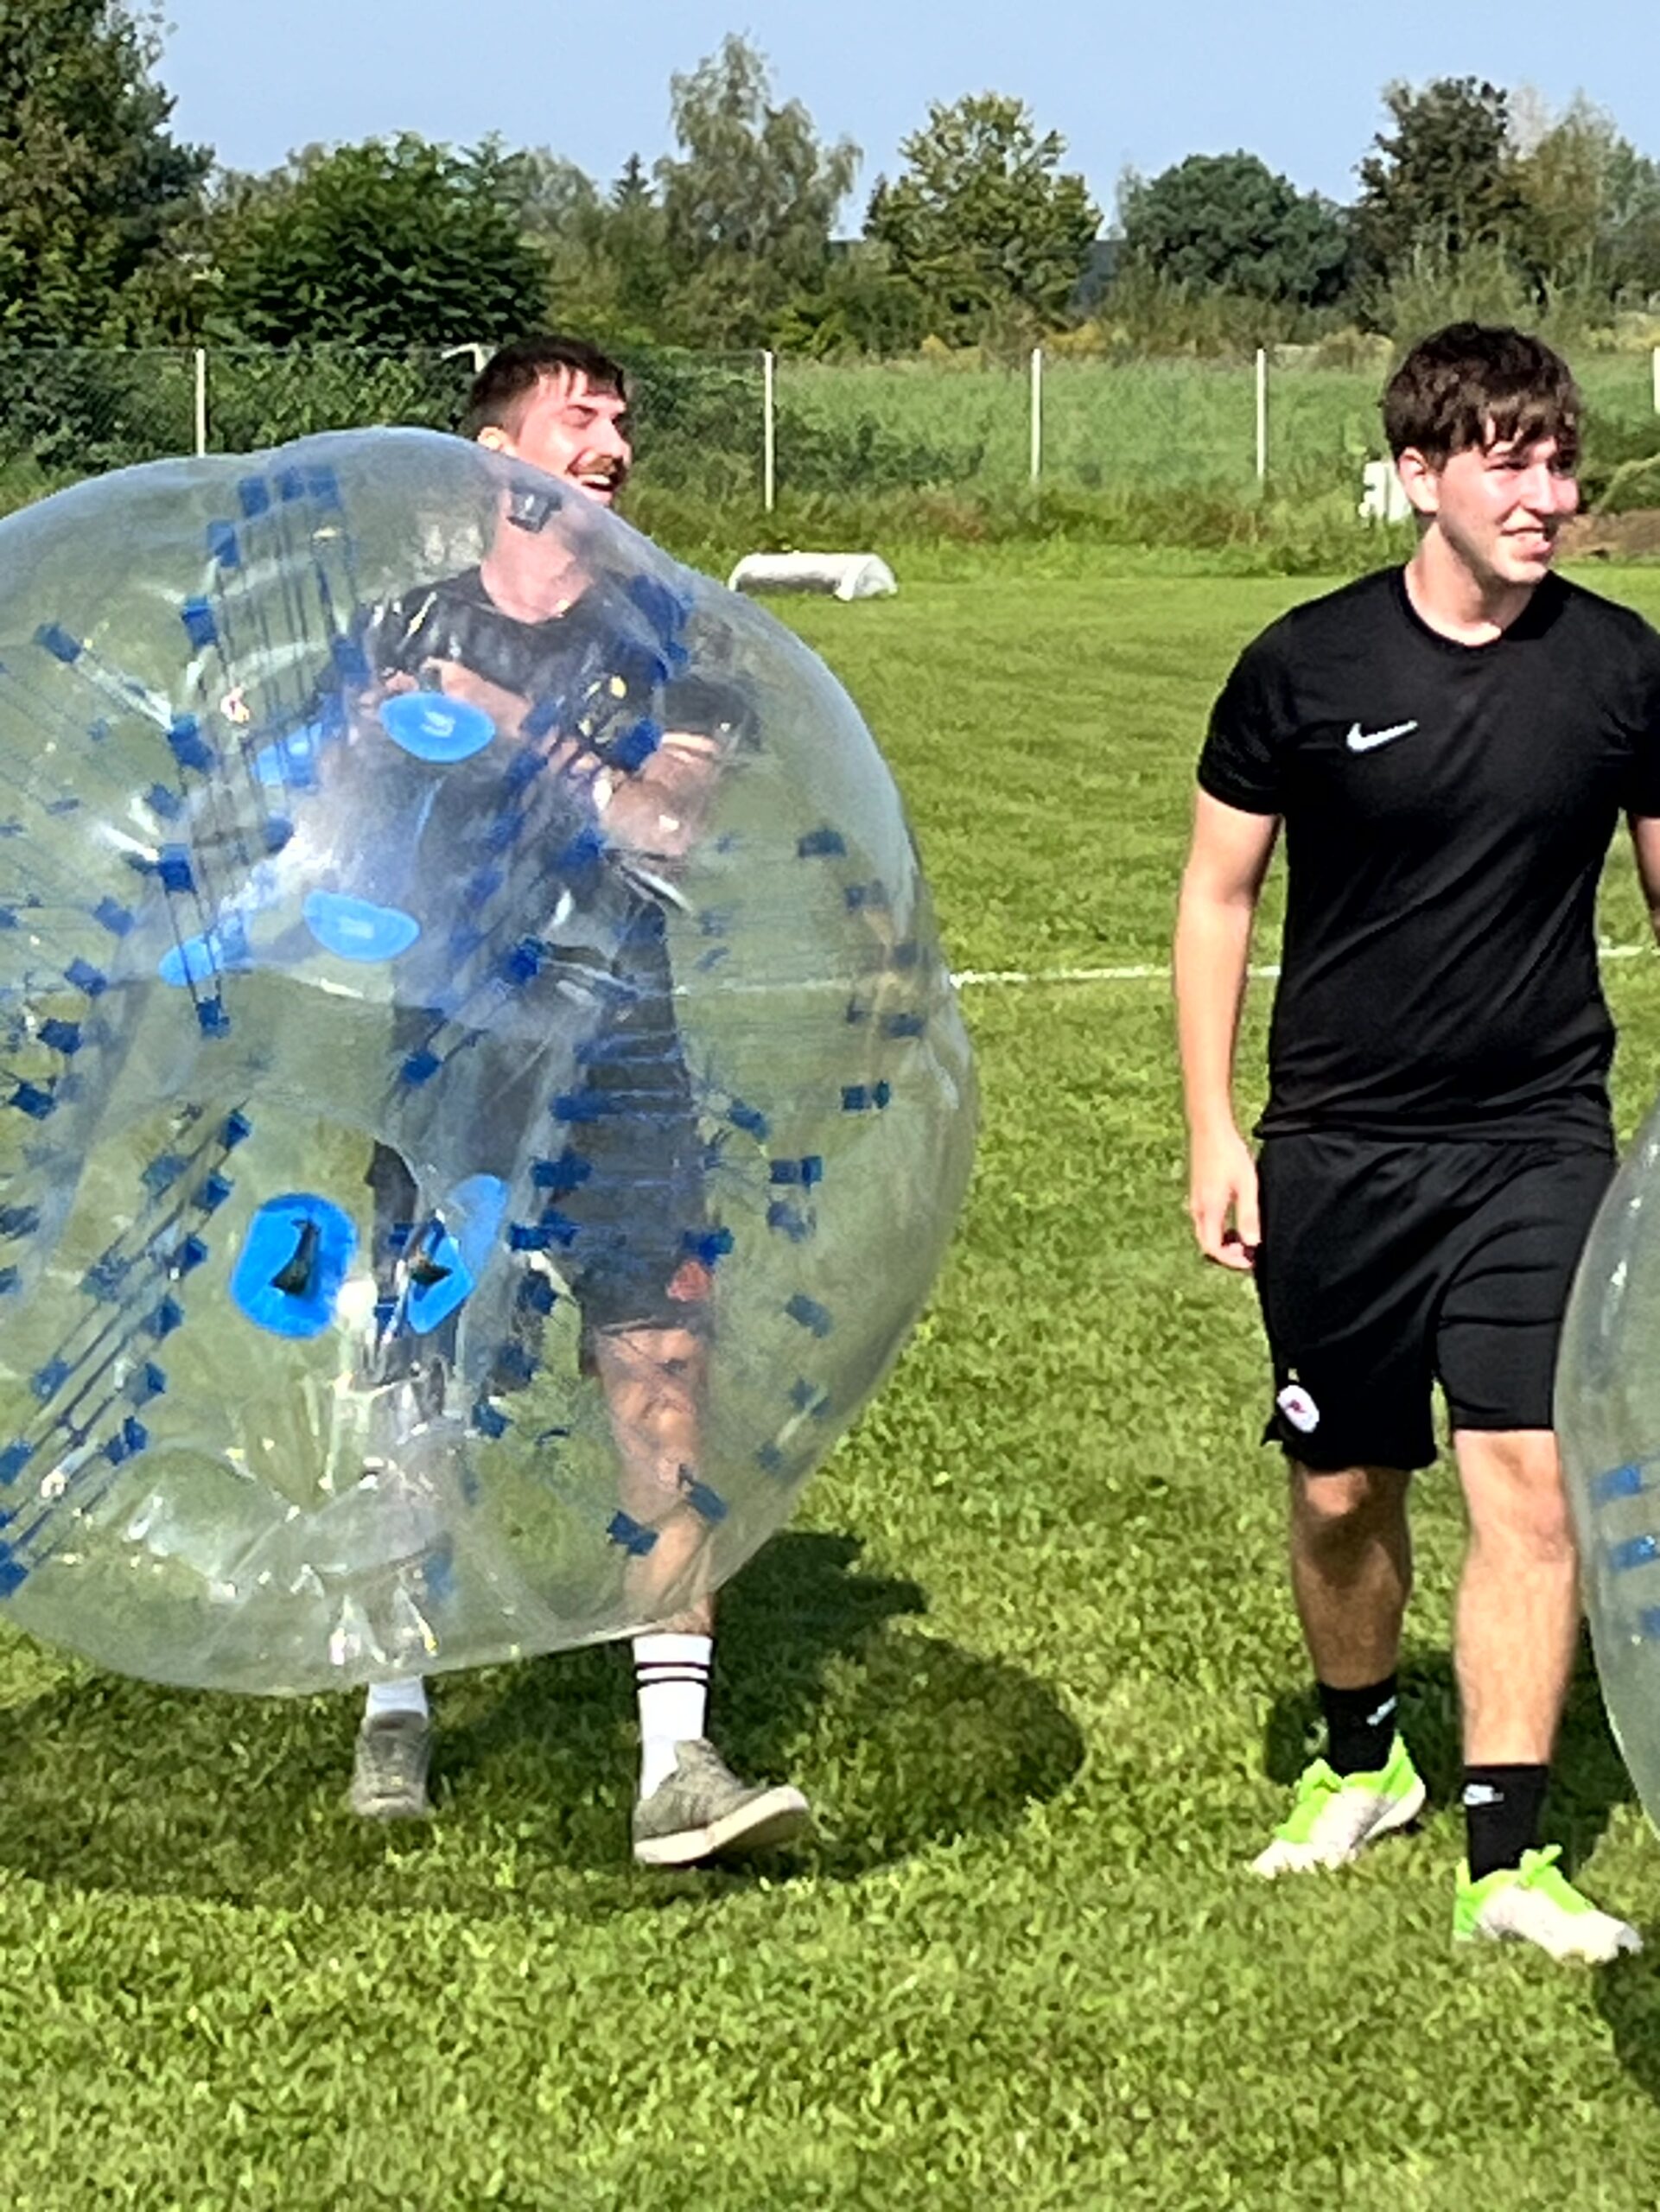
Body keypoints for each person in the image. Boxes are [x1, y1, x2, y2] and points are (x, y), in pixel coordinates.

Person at [1173, 321, 1660, 1961]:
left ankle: (1505, 1858)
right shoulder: (1303, 667)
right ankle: (1361, 1757)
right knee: (1338, 1491)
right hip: (1338, 1149)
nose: (1548, 497)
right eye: (1508, 464)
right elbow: (1215, 898)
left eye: (1558, 462)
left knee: (1525, 1484)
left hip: (1536, 1142)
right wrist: (1211, 1127)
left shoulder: (1618, 668)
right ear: (1416, 476)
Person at [346, 334, 811, 1866]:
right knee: (417, 1361)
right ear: (497, 457)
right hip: (441, 1045)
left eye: (621, 419)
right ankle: (393, 1696)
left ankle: (675, 1759)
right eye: (577, 419)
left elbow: (659, 829)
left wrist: (504, 723)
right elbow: (326, 821)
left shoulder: (676, 639)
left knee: (659, 1358)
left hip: (618, 1052)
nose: (610, 443)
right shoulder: (396, 625)